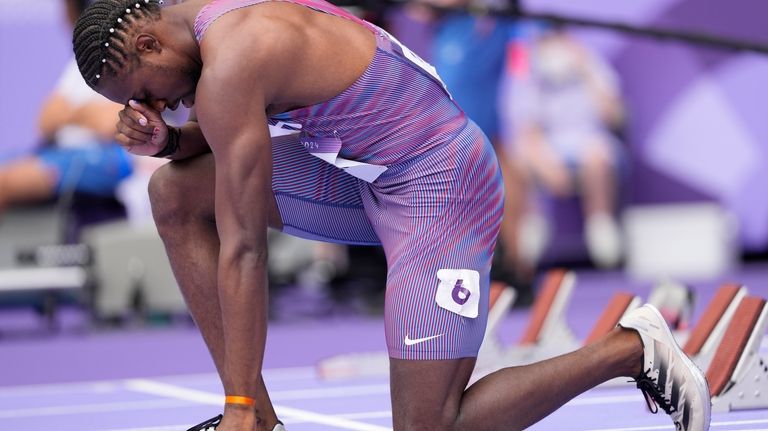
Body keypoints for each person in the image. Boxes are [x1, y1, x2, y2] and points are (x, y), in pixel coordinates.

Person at [71, 1, 710, 430]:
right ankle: (261, 420)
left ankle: (632, 349)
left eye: (145, 92)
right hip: (362, 178)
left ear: (150, 42)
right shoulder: (211, 34)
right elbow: (215, 143)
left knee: (429, 426)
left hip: (441, 187)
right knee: (172, 191)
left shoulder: (234, 59)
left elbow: (244, 249)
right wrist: (168, 145)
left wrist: (231, 401)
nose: (155, 104)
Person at [503, 26, 626, 269]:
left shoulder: (590, 62)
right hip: (547, 148)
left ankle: (602, 233)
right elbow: (525, 127)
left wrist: (585, 70)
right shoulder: (525, 67)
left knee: (597, 155)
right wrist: (545, 163)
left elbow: (614, 116)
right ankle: (530, 239)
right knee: (519, 157)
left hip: (591, 143)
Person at [0, 0, 132, 212]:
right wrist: (87, 115)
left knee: (4, 182)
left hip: (109, 157)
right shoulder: (81, 58)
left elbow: (110, 125)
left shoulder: (127, 56)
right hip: (60, 151)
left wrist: (70, 115)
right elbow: (45, 120)